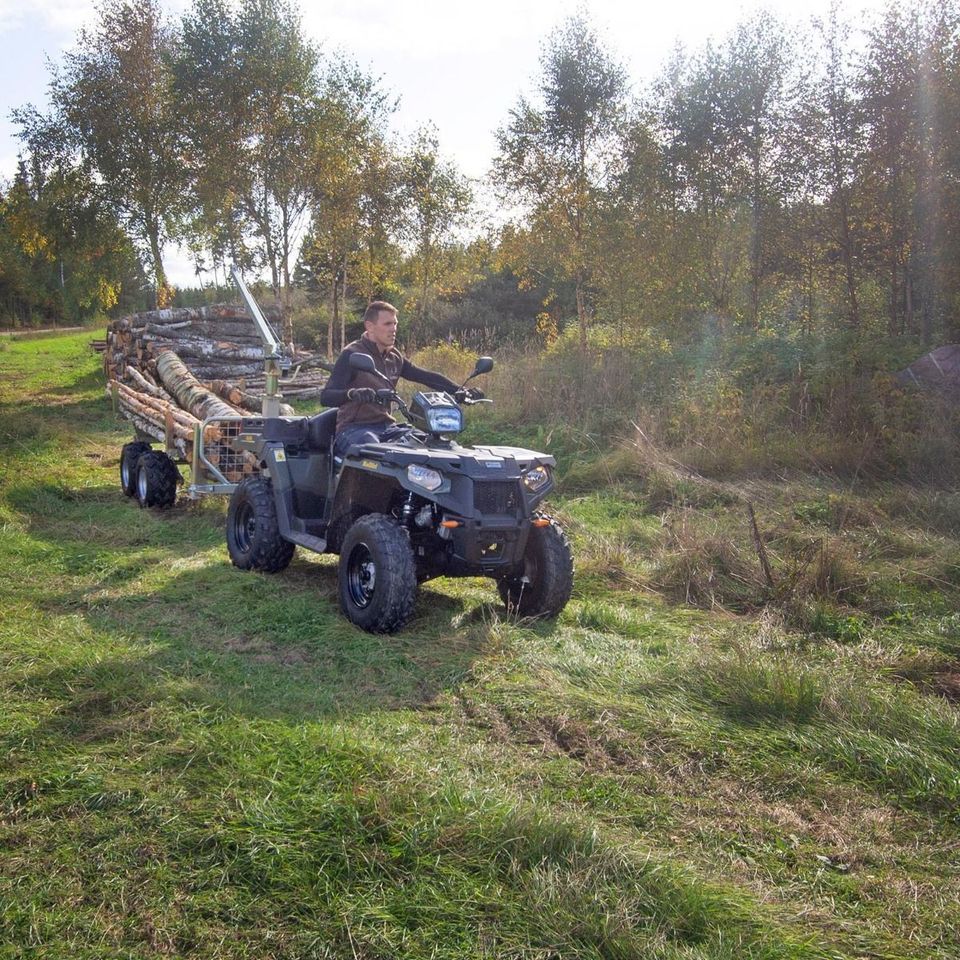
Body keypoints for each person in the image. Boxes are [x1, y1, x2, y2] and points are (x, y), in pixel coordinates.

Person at [320, 301, 482, 456]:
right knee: (375, 452)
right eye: (387, 324)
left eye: (395, 323)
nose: (393, 329)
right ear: (370, 326)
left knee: (431, 445)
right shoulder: (353, 354)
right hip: (354, 429)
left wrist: (461, 390)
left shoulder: (394, 356)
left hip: (387, 426)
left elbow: (425, 376)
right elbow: (326, 397)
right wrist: (353, 393)